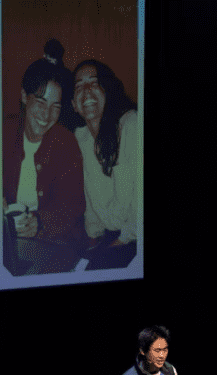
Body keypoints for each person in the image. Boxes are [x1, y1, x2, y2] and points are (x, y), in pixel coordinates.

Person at [3, 39, 86, 275]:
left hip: (54, 242)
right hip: (7, 240)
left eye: (55, 106)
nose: (47, 114)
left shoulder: (65, 143)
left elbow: (73, 205)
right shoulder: (5, 132)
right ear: (24, 96)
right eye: (40, 101)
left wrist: (40, 222)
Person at [69, 59, 139, 270]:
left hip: (135, 237)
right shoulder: (80, 138)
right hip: (111, 237)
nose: (87, 90)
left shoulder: (131, 125)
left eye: (94, 83)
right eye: (79, 86)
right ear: (74, 104)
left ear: (108, 91)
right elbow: (90, 199)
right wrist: (93, 238)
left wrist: (119, 242)